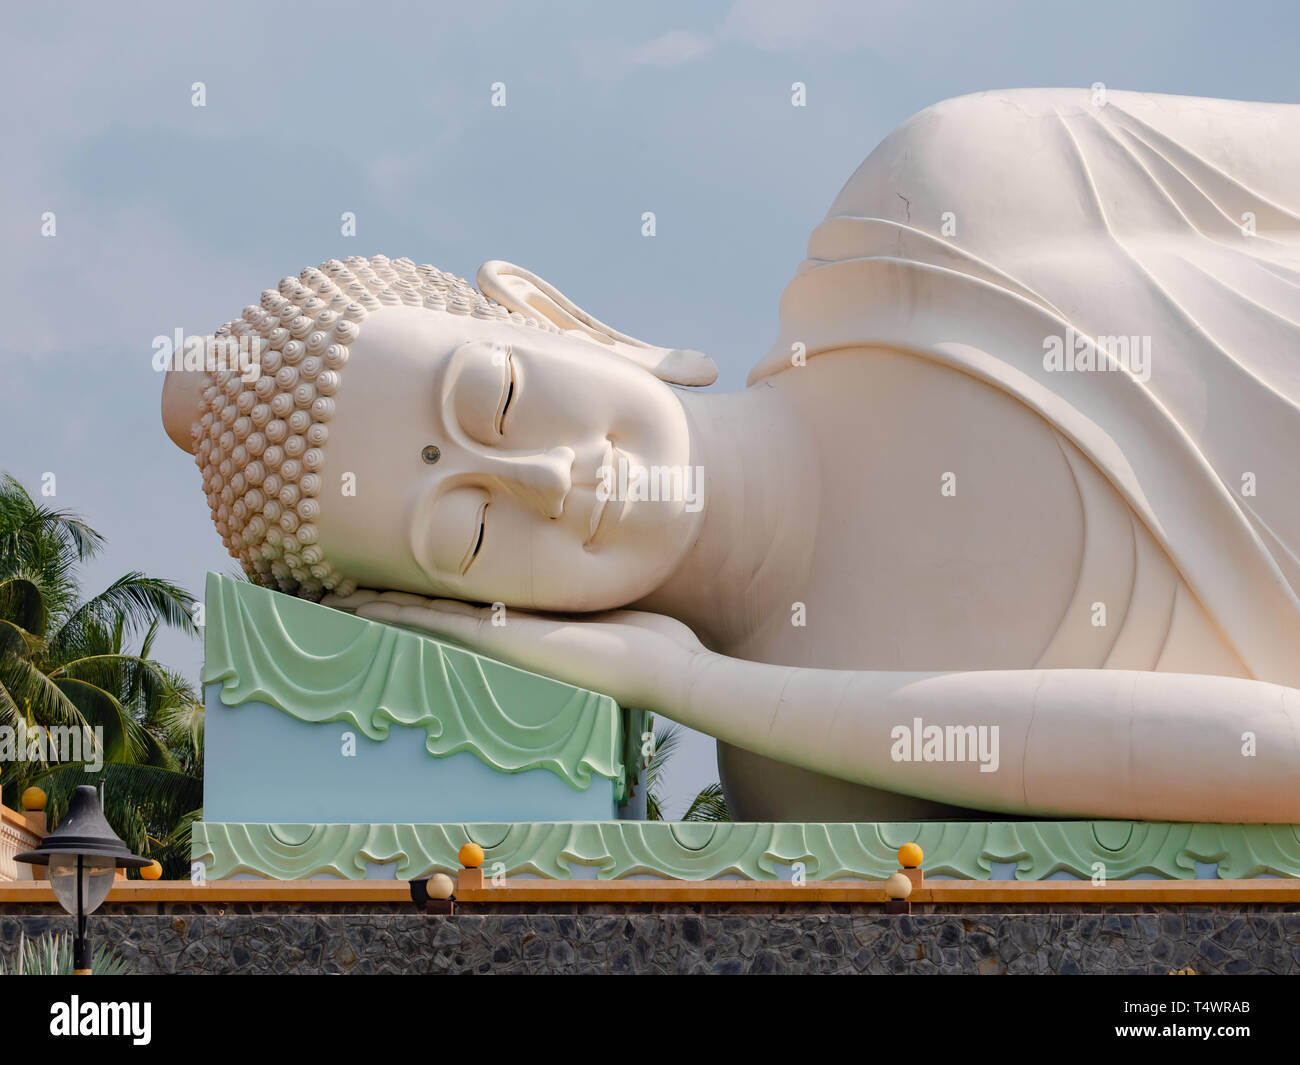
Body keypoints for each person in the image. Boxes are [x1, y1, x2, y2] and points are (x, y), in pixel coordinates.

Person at [162, 89, 1300, 823]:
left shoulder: (943, 202)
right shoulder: (804, 778)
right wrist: (691, 686)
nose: (550, 482)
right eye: (464, 530)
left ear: (557, 318)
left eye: (498, 397)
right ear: (476, 620)